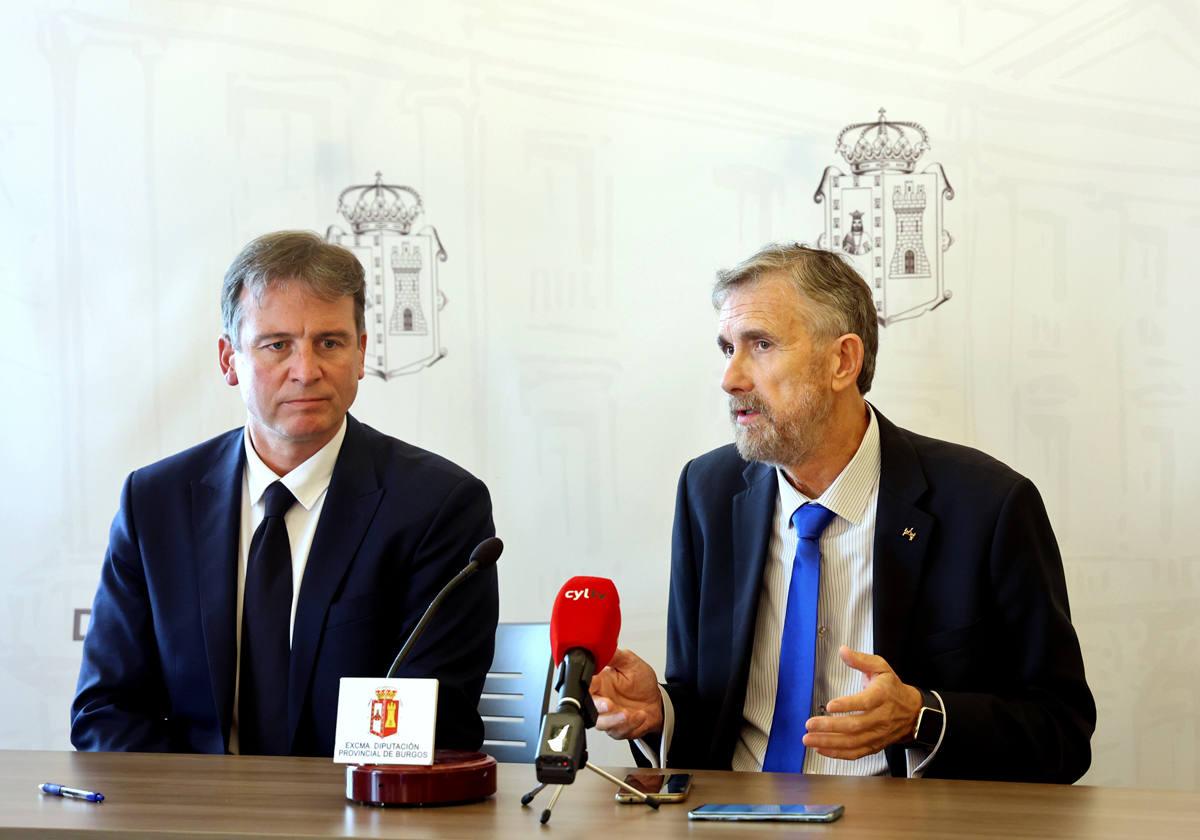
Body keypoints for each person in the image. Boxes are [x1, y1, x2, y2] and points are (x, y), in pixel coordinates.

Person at [589, 244, 1095, 782]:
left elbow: (1061, 732)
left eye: (760, 345)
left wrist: (920, 717)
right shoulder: (708, 492)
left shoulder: (986, 505)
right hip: (733, 813)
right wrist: (658, 714)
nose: (730, 378)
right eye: (726, 348)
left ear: (842, 361)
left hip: (901, 824)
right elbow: (705, 708)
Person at [72, 231, 498, 756]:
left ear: (361, 353)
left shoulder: (438, 506)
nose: (306, 370)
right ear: (229, 360)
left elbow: (435, 722)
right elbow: (106, 710)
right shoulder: (155, 503)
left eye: (331, 343)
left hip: (357, 820)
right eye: (277, 345)